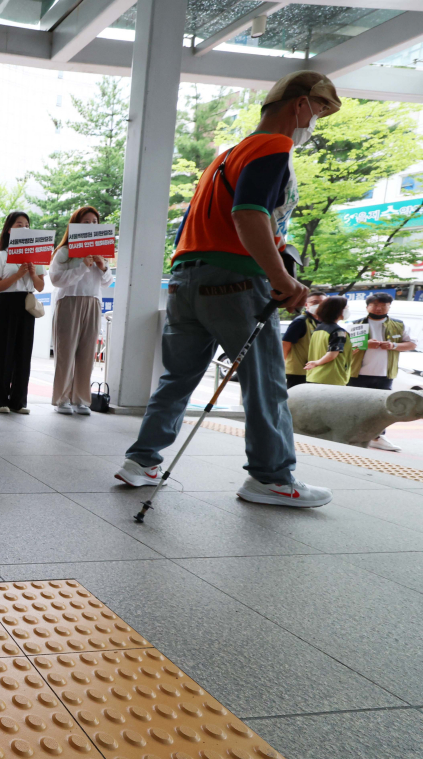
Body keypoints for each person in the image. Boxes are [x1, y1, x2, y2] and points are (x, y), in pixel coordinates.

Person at [115, 70, 340, 508]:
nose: (318, 120)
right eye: (320, 110)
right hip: (236, 282)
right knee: (266, 381)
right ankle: (271, 477)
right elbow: (250, 214)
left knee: (177, 378)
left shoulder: (224, 156)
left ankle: (141, 461)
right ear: (301, 105)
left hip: (185, 279)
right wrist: (281, 279)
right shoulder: (274, 146)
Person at [49, 206, 112, 415]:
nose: (92, 225)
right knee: (65, 352)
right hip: (69, 301)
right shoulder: (64, 251)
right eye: (86, 222)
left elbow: (106, 283)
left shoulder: (101, 250)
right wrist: (83, 266)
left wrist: (102, 266)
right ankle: (62, 399)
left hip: (93, 302)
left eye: (95, 222)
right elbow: (56, 280)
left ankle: (81, 400)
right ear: (76, 224)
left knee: (87, 353)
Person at [0, 211, 46, 414]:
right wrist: (17, 275)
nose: (23, 228)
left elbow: (40, 286)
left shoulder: (36, 255)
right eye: (19, 225)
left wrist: (31, 273)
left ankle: (19, 401)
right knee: (2, 353)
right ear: (9, 230)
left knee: (23, 353)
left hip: (26, 303)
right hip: (5, 303)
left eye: (26, 225)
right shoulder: (1, 255)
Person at [347, 291, 417, 451]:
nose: (379, 308)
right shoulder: (356, 324)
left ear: (389, 306)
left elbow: (412, 344)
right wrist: (364, 344)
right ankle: (353, 434)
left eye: (383, 305)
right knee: (355, 405)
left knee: (383, 407)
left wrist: (393, 345)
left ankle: (378, 436)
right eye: (375, 305)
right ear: (367, 307)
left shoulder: (399, 324)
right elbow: (346, 349)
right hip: (357, 373)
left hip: (385, 374)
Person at [282, 289, 327, 387]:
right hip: (298, 372)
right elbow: (285, 344)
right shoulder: (301, 322)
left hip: (313, 371)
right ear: (306, 305)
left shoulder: (321, 323)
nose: (319, 305)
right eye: (315, 302)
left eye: (323, 303)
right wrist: (281, 365)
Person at [304, 296, 352, 386]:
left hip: (314, 376)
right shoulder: (339, 332)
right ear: (338, 310)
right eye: (346, 308)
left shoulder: (318, 329)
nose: (347, 310)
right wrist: (317, 363)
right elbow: (332, 354)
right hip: (331, 378)